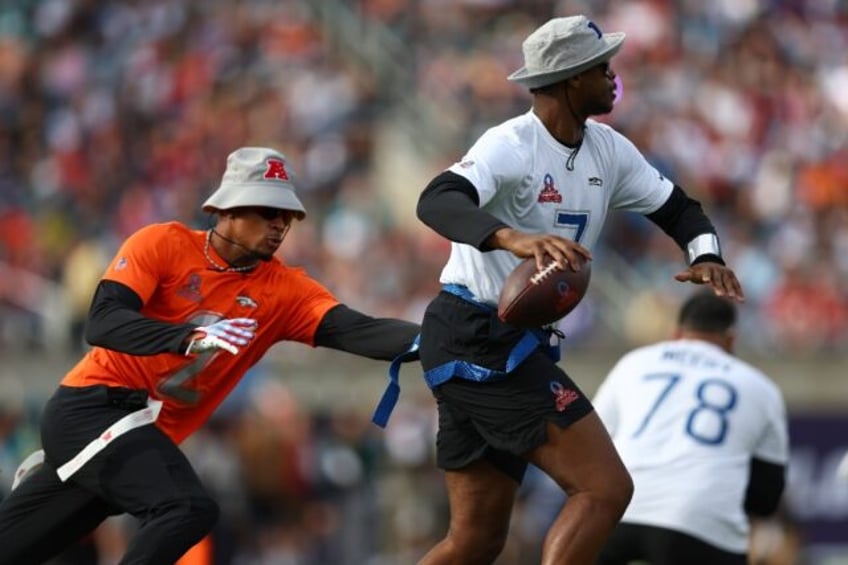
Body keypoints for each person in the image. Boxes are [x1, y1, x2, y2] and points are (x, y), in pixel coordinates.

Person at [413, 15, 746, 565]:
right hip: (479, 334)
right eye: (602, 68)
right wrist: (511, 238)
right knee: (605, 489)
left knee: (475, 541)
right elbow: (436, 199)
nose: (614, 78)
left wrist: (705, 254)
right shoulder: (512, 143)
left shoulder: (608, 149)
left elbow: (679, 209)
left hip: (489, 339)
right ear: (570, 79)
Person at [0, 146, 421, 564]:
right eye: (268, 212)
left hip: (134, 437)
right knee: (187, 508)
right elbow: (103, 322)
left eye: (287, 216)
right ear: (228, 208)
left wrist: (447, 341)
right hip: (94, 409)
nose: (280, 225)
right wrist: (189, 337)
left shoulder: (285, 291)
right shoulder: (164, 244)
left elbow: (361, 331)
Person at [593, 292, 788, 565]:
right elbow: (767, 496)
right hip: (701, 522)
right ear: (731, 339)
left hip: (618, 511)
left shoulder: (634, 363)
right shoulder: (760, 387)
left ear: (676, 333)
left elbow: (591, 444)